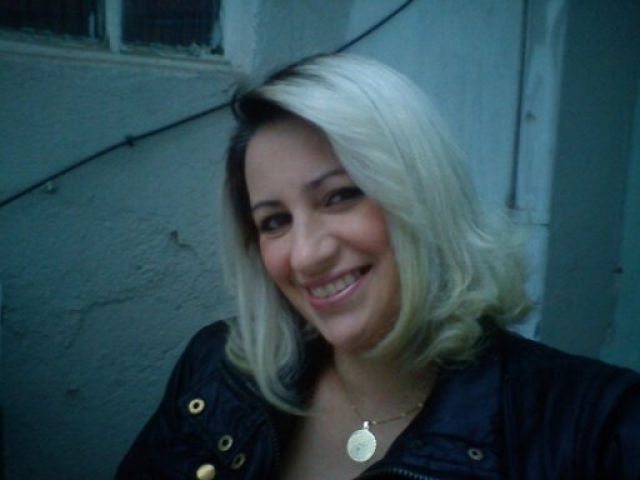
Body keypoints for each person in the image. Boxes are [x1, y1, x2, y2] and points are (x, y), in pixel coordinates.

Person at [116, 54, 640, 479]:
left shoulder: (599, 428)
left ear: (424, 195)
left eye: (340, 196)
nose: (306, 255)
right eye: (274, 221)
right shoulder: (216, 373)